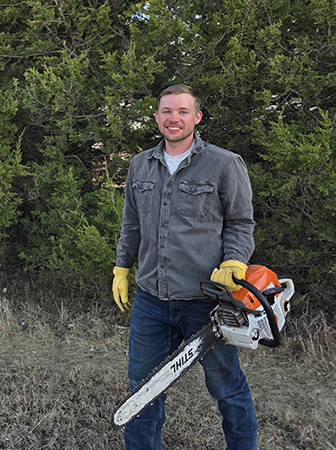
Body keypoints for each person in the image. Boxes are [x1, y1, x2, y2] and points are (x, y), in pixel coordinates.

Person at [112, 84, 257, 450]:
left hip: (206, 302)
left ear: (196, 117)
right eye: (166, 111)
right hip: (150, 301)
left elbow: (241, 222)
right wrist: (122, 268)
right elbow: (131, 224)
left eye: (181, 111)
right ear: (157, 116)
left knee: (227, 387)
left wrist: (234, 260)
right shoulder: (140, 164)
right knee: (143, 391)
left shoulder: (224, 164)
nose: (173, 118)